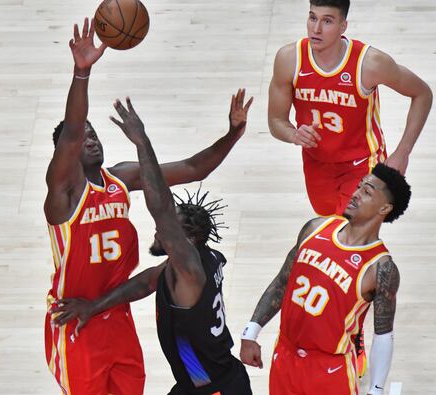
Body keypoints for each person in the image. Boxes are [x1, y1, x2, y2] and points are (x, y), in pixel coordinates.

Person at [45, 17, 253, 395]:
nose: (89, 139)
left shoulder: (121, 178)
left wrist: (232, 135)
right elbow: (72, 130)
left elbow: (193, 168)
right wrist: (81, 72)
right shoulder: (62, 196)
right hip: (76, 315)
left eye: (94, 134)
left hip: (115, 313)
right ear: (64, 156)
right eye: (81, 138)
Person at [267, 0, 431, 373]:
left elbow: (422, 93)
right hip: (318, 168)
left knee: (347, 258)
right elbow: (275, 119)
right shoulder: (288, 58)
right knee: (332, 254)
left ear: (343, 25)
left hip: (364, 169)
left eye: (327, 21)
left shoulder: (368, 63)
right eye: (312, 17)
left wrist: (403, 153)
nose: (316, 28)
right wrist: (292, 134)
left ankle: (352, 346)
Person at [239, 163, 411, 395]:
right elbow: (282, 282)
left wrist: (376, 389)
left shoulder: (380, 268)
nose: (356, 193)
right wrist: (251, 332)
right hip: (285, 356)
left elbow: (383, 333)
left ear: (384, 208)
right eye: (359, 186)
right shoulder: (315, 228)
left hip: (331, 370)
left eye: (367, 192)